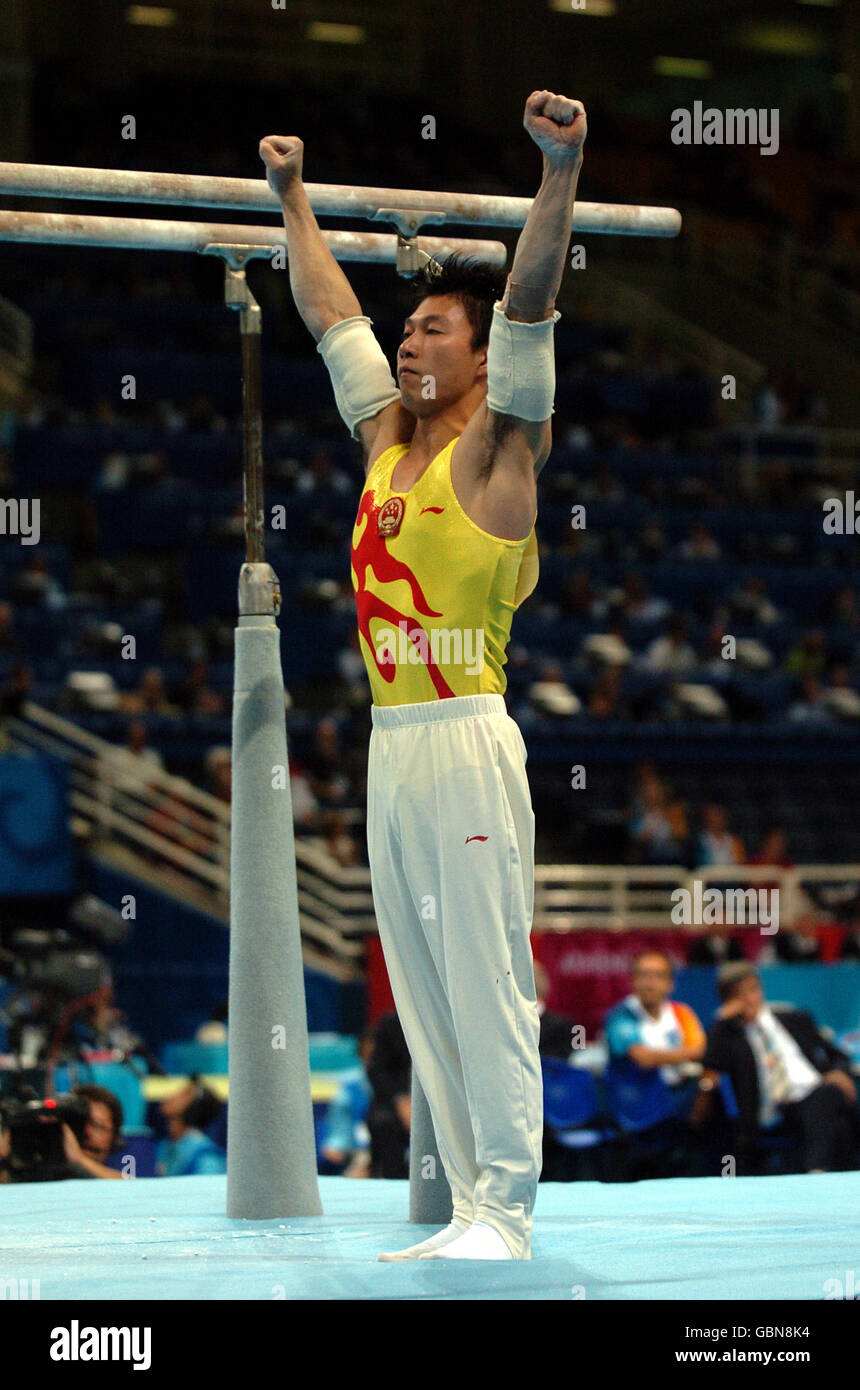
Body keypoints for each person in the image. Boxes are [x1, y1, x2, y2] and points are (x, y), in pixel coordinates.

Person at [259, 88, 587, 1261]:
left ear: (480, 355)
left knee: (486, 975)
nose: (407, 343)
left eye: (432, 330)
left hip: (463, 734)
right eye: (407, 333)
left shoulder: (504, 446)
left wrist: (558, 170)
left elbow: (533, 299)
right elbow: (330, 315)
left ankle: (506, 1206)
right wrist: (293, 198)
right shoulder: (383, 445)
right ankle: (467, 1207)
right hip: (390, 745)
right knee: (420, 984)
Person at [700, 963, 857, 1174]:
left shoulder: (793, 1018)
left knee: (829, 1105)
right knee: (837, 1121)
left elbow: (837, 1055)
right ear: (729, 1001)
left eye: (753, 990)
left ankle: (818, 1170)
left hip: (817, 1091)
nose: (749, 999)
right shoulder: (730, 1037)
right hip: (776, 1107)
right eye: (739, 995)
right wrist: (721, 1021)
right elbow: (711, 1062)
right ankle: (818, 1170)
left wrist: (838, 1072)